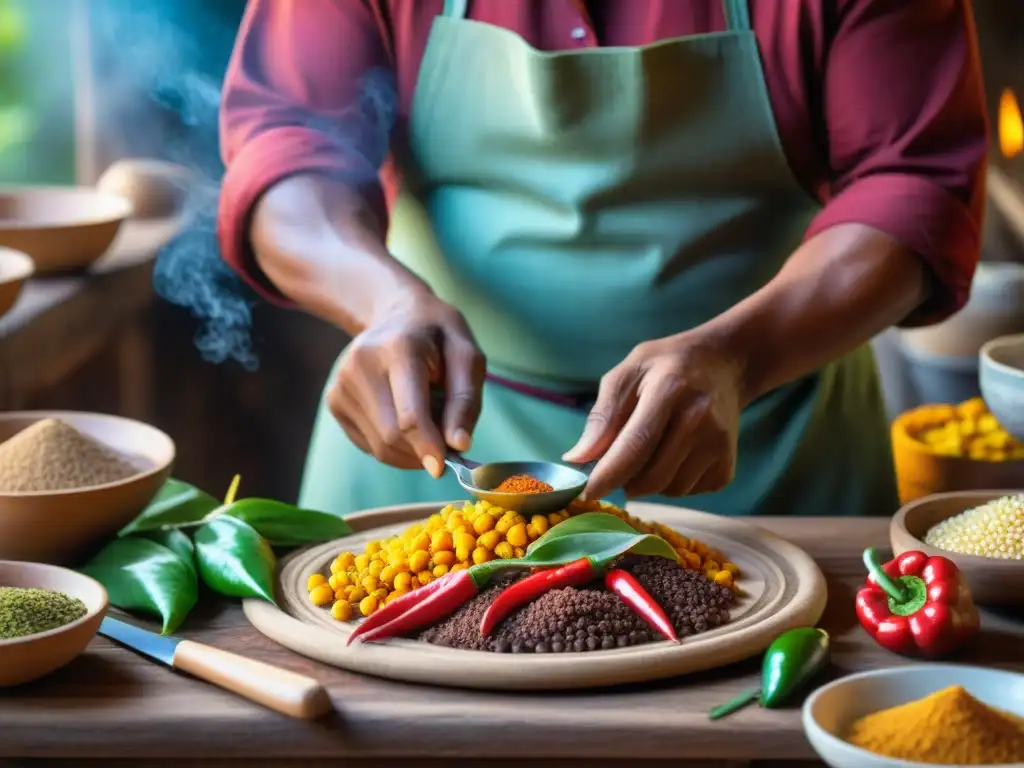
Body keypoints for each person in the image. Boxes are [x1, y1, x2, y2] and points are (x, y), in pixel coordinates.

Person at [217, 0, 987, 518]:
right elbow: (286, 145)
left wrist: (738, 358)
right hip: (427, 456)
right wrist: (379, 303)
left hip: (767, 444)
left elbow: (914, 180)